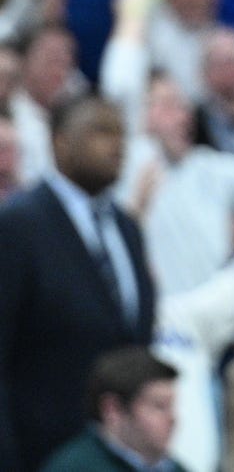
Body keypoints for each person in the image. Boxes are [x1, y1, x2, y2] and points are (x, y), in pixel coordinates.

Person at [0, 95, 157, 471]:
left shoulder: (127, 227)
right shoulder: (18, 225)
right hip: (40, 451)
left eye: (122, 133)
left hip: (121, 455)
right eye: (101, 131)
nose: (118, 144)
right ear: (61, 142)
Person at [39, 344, 186, 472]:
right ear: (113, 409)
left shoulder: (175, 468)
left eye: (172, 406)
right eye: (159, 406)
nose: (172, 418)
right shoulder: (73, 467)